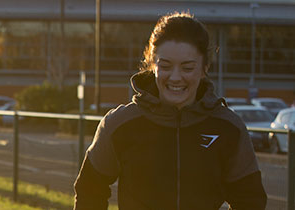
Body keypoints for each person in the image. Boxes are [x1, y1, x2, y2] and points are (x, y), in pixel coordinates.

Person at [74, 12, 266, 209]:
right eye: (165, 66)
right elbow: (90, 189)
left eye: (187, 68)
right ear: (152, 65)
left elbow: (250, 200)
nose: (175, 77)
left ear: (204, 68)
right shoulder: (119, 124)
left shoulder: (228, 127)